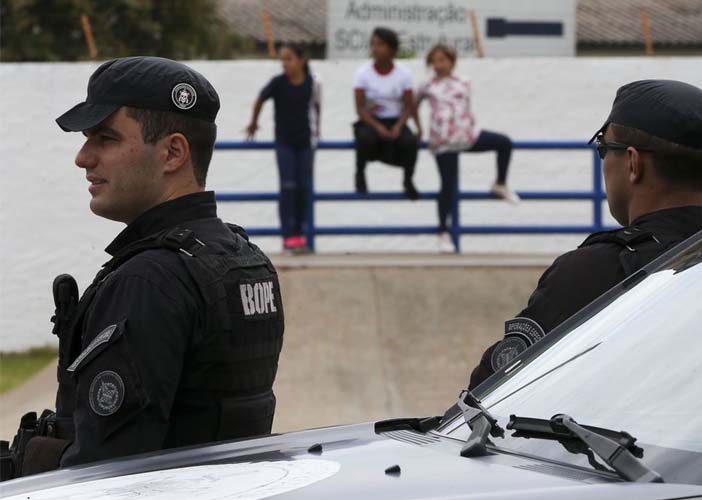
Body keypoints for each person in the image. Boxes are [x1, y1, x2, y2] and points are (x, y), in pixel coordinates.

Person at [4, 57, 285, 478]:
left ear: (172, 152)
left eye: (105, 138)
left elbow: (106, 476)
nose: (83, 158)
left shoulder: (150, 280)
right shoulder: (242, 258)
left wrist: (34, 466)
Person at [468, 80, 702, 390]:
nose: (603, 160)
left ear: (633, 163)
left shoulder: (590, 273)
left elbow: (485, 395)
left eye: (604, 147)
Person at [416, 44, 520, 253]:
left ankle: (500, 183)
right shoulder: (427, 85)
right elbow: (412, 105)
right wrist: (419, 129)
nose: (438, 65)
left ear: (451, 62)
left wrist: (469, 125)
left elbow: (465, 108)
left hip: (467, 136)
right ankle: (443, 232)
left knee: (504, 143)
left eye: (442, 60)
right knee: (447, 185)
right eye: (434, 61)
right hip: (444, 142)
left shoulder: (463, 82)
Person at [246, 44, 322, 253]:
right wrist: (253, 123)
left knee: (303, 188)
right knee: (288, 186)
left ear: (301, 60)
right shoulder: (278, 83)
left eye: (289, 59)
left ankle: (301, 235)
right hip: (285, 142)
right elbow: (260, 99)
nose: (284, 63)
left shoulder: (312, 83)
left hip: (305, 142)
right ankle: (289, 236)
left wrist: (318, 131)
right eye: (282, 59)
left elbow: (316, 106)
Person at [353, 27, 421, 199]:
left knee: (410, 141)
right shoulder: (363, 73)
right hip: (370, 119)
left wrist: (399, 126)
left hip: (395, 119)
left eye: (380, 44)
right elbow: (360, 108)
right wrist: (377, 126)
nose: (375, 48)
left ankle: (408, 180)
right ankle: (360, 173)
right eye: (373, 44)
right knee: (364, 138)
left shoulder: (404, 74)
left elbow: (407, 106)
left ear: (392, 48)